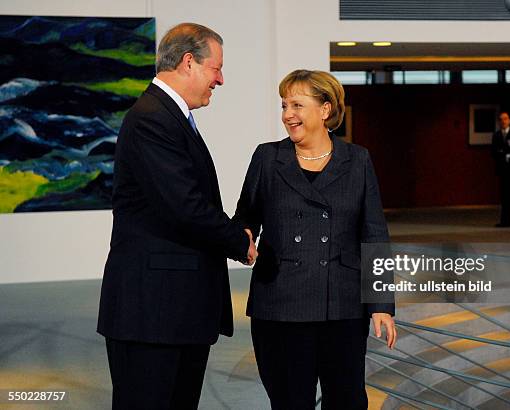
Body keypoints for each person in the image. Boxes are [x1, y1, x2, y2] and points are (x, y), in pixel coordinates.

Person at [97, 23, 257, 410]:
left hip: (173, 312)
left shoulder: (168, 115)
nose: (220, 79)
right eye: (215, 68)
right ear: (189, 62)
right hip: (153, 313)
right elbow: (185, 207)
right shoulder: (153, 117)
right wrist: (240, 241)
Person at [234, 69, 396, 409]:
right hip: (280, 305)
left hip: (342, 305)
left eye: (297, 105)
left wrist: (381, 304)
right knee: (291, 402)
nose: (287, 115)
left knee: (348, 401)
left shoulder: (357, 160)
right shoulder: (267, 157)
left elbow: (374, 233)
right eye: (284, 105)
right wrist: (243, 239)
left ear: (325, 110)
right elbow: (247, 216)